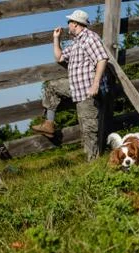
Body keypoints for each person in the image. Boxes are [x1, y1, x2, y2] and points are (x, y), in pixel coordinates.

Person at [32, 9, 110, 162]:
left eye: (69, 22)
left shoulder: (90, 38)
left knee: (88, 131)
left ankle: (94, 165)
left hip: (88, 92)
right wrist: (56, 39)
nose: (68, 25)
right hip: (76, 87)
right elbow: (59, 57)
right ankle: (49, 124)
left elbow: (102, 59)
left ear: (75, 24)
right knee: (52, 87)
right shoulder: (76, 42)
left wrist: (95, 84)